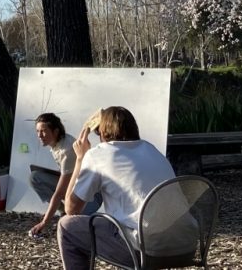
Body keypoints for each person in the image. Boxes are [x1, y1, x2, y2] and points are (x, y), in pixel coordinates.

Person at [57, 106, 175, 270]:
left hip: (145, 252)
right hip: (182, 246)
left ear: (104, 133)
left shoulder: (99, 154)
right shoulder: (151, 149)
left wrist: (80, 159)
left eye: (99, 133)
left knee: (67, 226)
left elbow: (71, 208)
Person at [29, 111, 96, 236]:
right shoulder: (57, 144)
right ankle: (63, 211)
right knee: (35, 177)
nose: (40, 135)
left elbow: (59, 193)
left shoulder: (67, 150)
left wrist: (44, 222)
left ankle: (70, 213)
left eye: (43, 131)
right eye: (37, 131)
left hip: (91, 197)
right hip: (77, 187)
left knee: (71, 226)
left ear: (55, 131)